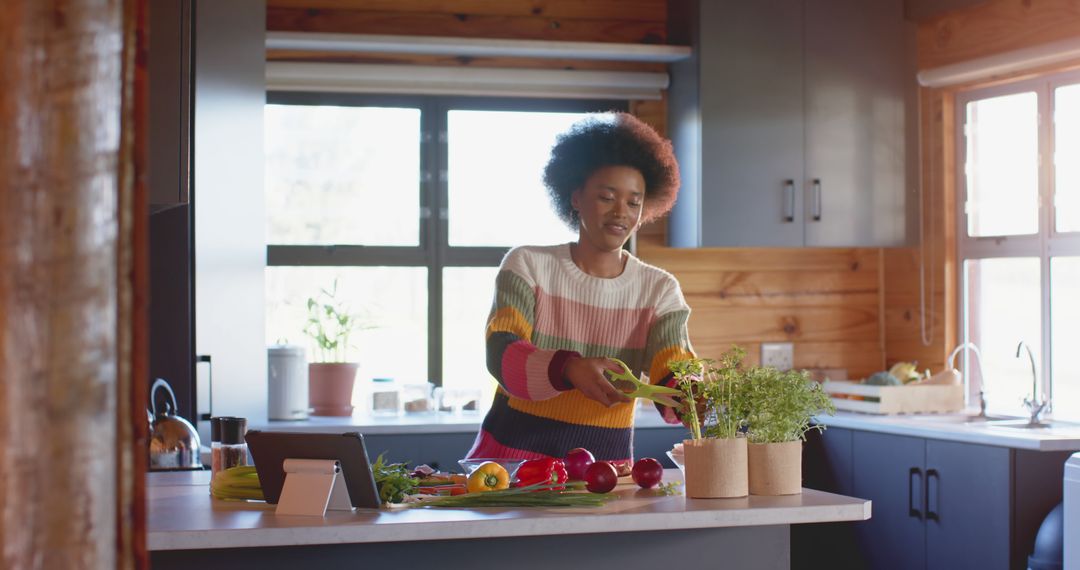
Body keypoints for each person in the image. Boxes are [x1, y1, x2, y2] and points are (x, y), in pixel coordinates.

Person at [465, 112, 696, 473]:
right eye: (606, 197)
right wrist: (568, 369)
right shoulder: (528, 266)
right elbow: (502, 353)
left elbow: (675, 377)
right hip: (511, 465)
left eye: (634, 202)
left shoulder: (658, 290)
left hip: (604, 471)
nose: (621, 212)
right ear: (575, 197)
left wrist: (694, 394)